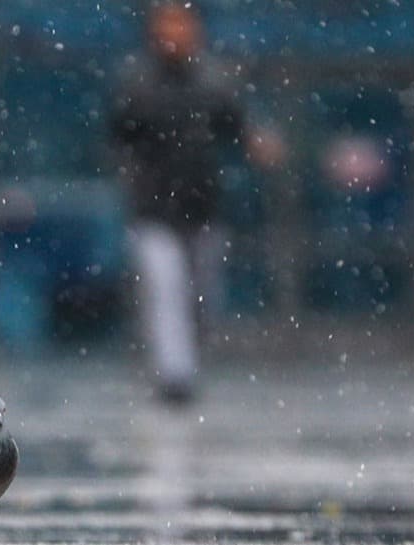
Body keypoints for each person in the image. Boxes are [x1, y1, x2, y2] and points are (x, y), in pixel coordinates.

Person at [110, 4, 278, 405]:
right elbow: (118, 135)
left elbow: (238, 128)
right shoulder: (137, 83)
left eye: (181, 23)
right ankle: (175, 376)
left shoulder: (214, 80)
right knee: (165, 289)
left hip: (202, 208)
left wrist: (259, 144)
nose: (174, 33)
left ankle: (186, 363)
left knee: (202, 299)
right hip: (152, 209)